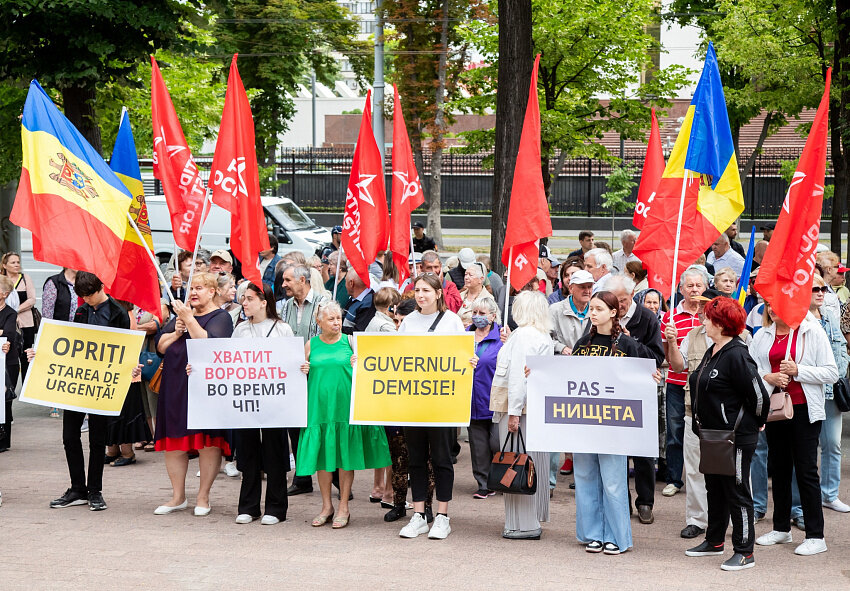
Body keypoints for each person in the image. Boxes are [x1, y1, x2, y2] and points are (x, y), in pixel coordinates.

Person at [571, 291, 661, 555]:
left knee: (613, 481)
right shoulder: (582, 344)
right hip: (585, 422)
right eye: (591, 308)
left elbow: (647, 370)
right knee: (586, 478)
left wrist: (651, 377)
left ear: (613, 313)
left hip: (615, 425)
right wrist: (537, 374)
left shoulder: (627, 344)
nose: (593, 313)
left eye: (599, 309)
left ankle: (615, 536)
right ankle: (593, 534)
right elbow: (567, 379)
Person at [683, 297, 769, 571]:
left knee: (736, 491)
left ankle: (744, 551)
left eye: (708, 318)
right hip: (712, 435)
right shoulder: (714, 349)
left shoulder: (737, 354)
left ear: (720, 324)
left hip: (735, 436)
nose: (703, 321)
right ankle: (714, 541)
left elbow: (759, 396)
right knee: (715, 489)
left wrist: (758, 421)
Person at [751, 301, 838, 556]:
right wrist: (768, 377)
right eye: (769, 304)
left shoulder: (812, 331)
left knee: (805, 470)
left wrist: (799, 370)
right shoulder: (763, 334)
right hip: (776, 408)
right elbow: (751, 366)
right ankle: (781, 528)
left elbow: (831, 373)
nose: (772, 308)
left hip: (804, 410)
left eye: (778, 303)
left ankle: (816, 535)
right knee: (779, 468)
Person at [297, 301, 391, 529]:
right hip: (319, 409)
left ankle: (343, 507)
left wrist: (360, 363)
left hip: (344, 408)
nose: (336, 323)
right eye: (331, 319)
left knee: (344, 458)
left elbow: (372, 368)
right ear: (319, 322)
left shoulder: (350, 342)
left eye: (338, 318)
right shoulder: (311, 345)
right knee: (322, 458)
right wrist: (302, 369)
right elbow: (297, 375)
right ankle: (326, 506)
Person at [397, 273, 476, 539]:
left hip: (442, 404)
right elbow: (395, 356)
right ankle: (419, 515)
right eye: (417, 290)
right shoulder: (408, 322)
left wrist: (470, 361)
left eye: (426, 291)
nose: (421, 295)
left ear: (438, 293)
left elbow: (462, 355)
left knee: (442, 459)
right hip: (414, 402)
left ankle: (442, 516)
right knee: (416, 459)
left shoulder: (452, 321)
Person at [45, 272, 130, 511]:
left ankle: (94, 490)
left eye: (90, 295)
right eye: (83, 296)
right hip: (79, 380)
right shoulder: (82, 311)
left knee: (97, 439)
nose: (87, 300)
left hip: (101, 383)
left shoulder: (117, 313)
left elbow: (125, 347)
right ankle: (77, 488)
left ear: (101, 287)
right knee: (69, 436)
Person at [152, 272, 234, 517]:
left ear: (212, 292)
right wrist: (177, 331)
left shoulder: (221, 317)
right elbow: (160, 347)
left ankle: (203, 497)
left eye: (199, 288)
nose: (194, 293)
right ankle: (178, 497)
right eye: (192, 288)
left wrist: (189, 320)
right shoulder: (181, 317)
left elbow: (208, 345)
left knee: (207, 442)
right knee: (174, 442)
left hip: (205, 390)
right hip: (175, 386)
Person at [228, 282, 294, 525]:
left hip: (275, 401)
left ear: (264, 302)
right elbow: (228, 362)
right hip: (248, 400)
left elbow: (291, 361)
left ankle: (276, 508)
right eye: (243, 298)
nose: (244, 303)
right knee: (247, 451)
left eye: (249, 299)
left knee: (274, 451)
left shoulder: (282, 329)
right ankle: (249, 506)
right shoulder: (240, 330)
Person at [491, 291, 552, 539]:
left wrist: (514, 413)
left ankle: (522, 524)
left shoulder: (524, 335)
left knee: (516, 462)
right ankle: (530, 518)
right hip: (534, 407)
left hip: (519, 409)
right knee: (531, 462)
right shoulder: (540, 334)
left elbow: (518, 377)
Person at [788, 275, 850, 516]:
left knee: (833, 444)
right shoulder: (796, 319)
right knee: (804, 449)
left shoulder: (830, 316)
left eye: (823, 288)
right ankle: (798, 504)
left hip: (831, 389)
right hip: (807, 390)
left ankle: (830, 495)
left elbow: (842, 347)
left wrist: (838, 373)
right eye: (815, 288)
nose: (821, 292)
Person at [607, 275, 664, 524]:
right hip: (613, 393)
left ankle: (645, 502)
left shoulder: (647, 318)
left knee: (642, 453)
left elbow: (657, 358)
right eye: (614, 300)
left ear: (632, 296)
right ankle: (621, 501)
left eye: (622, 300)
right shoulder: (605, 315)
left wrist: (630, 342)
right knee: (616, 451)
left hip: (640, 394)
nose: (618, 305)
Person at [278, 265, 330, 496]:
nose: (283, 285)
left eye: (288, 280)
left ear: (302, 280)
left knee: (323, 424)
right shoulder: (286, 306)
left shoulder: (323, 303)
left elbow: (331, 335)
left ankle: (335, 479)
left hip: (318, 373)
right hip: (293, 374)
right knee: (295, 426)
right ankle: (302, 477)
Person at [660, 267, 707, 497]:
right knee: (675, 431)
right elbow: (668, 357)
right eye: (690, 285)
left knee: (705, 432)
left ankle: (704, 478)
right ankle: (674, 479)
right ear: (680, 289)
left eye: (698, 285)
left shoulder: (711, 314)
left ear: (705, 287)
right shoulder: (669, 318)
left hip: (705, 385)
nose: (694, 289)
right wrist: (672, 341)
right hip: (677, 383)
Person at [466, 297, 503, 499]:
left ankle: (503, 479)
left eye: (482, 313)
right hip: (471, 400)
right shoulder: (464, 336)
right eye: (475, 313)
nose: (477, 317)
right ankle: (484, 484)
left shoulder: (502, 338)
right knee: (478, 446)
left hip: (494, 400)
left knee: (497, 443)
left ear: (493, 316)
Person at [1, 252, 36, 381]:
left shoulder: (25, 278)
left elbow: (32, 299)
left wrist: (14, 310)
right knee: (10, 355)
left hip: (26, 323)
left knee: (26, 355)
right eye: (13, 262)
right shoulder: (2, 280)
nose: (17, 265)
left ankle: (26, 384)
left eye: (18, 262)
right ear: (4, 265)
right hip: (6, 322)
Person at [0, 276, 17, 453]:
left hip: (8, 362)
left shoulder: (10, 313)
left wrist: (3, 334)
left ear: (4, 294)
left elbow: (9, 334)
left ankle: (3, 440)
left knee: (5, 401)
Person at [342, 268, 376, 334]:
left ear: (351, 283)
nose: (345, 285)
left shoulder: (369, 304)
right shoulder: (354, 297)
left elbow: (359, 332)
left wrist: (337, 329)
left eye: (345, 281)